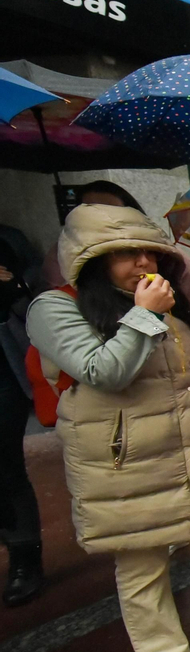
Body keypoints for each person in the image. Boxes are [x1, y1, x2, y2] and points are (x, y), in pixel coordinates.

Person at [27, 204, 190, 652]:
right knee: (142, 560)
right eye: (124, 254)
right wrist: (146, 315)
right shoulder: (57, 307)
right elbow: (103, 372)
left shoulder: (169, 302)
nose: (142, 263)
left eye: (148, 253)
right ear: (91, 261)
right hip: (124, 461)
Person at [0, 226, 45, 605]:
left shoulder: (8, 241)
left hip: (3, 367)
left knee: (5, 463)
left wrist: (13, 286)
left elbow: (35, 294)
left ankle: (24, 557)